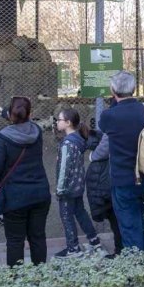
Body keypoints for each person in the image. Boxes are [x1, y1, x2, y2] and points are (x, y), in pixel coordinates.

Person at [98, 71, 144, 252]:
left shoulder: (108, 116)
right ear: (134, 89)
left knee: (130, 228)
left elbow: (103, 127)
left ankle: (136, 271)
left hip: (123, 180)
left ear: (112, 90)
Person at [0, 96, 51, 267]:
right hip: (39, 193)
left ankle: (17, 280)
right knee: (38, 236)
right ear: (30, 113)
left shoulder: (2, 138)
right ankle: (40, 275)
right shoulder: (37, 131)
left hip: (14, 197)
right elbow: (22, 123)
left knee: (15, 240)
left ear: (10, 115)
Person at [53, 108, 103, 258]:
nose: (56, 122)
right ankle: (94, 240)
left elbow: (64, 169)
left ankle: (73, 248)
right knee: (80, 212)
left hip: (68, 188)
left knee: (66, 216)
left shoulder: (67, 143)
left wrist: (60, 189)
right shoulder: (78, 139)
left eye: (59, 120)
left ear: (68, 123)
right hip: (78, 185)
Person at [85, 129, 123, 255]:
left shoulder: (98, 160)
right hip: (121, 184)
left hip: (111, 191)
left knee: (116, 222)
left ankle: (120, 251)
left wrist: (92, 156)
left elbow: (104, 148)